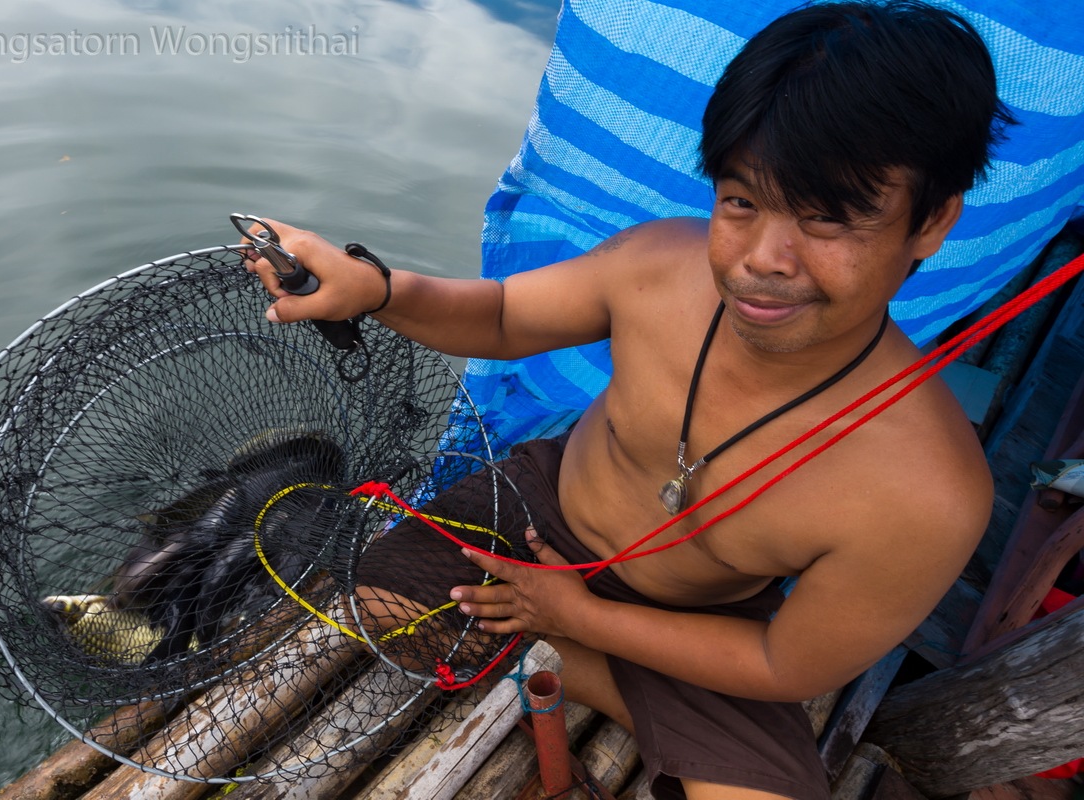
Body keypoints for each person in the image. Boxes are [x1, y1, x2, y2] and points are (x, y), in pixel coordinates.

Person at [243, 2, 1010, 797]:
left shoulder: (931, 494)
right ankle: (576, 662)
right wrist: (374, 288)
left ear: (932, 222)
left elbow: (787, 664)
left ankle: (566, 658)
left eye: (828, 220)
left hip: (707, 624)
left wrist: (579, 619)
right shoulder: (657, 265)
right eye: (741, 202)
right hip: (539, 514)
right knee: (377, 609)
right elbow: (504, 316)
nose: (763, 261)